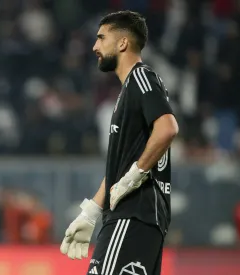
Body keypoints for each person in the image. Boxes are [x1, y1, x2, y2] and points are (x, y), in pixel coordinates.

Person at [60, 11, 179, 275]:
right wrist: (91, 211)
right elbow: (120, 167)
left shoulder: (141, 77)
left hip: (133, 213)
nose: (95, 47)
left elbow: (167, 128)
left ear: (123, 43)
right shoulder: (128, 93)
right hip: (138, 217)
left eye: (101, 38)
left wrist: (136, 174)